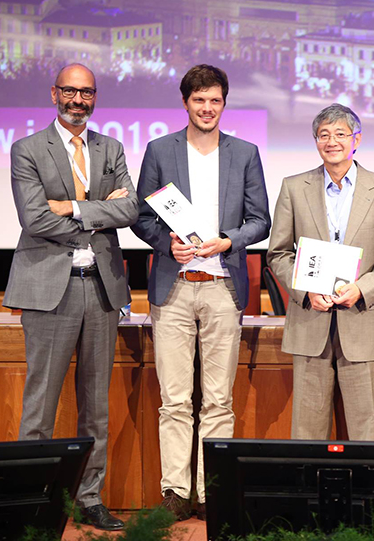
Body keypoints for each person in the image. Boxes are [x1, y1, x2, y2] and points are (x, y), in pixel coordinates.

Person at [131, 64, 270, 520]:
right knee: (174, 399)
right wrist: (164, 243)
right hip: (173, 289)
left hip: (222, 287)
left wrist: (229, 240)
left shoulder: (245, 153)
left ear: (224, 104)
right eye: (198, 100)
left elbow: (260, 219)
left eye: (214, 100)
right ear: (186, 103)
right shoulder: (159, 150)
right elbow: (142, 217)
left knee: (218, 399)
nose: (207, 108)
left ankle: (210, 490)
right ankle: (175, 491)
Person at [4, 63, 138, 531]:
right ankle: (29, 500)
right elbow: (35, 219)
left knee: (95, 405)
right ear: (55, 94)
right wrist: (99, 211)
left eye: (86, 92)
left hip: (101, 288)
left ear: (95, 97)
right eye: (70, 91)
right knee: (40, 404)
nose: (78, 100)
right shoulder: (26, 149)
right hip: (48, 288)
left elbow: (131, 208)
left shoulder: (111, 147)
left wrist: (76, 206)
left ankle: (89, 497)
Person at [267, 104, 374, 441]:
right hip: (309, 322)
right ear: (316, 141)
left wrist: (362, 288)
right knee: (306, 431)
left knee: (366, 428)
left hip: (362, 319)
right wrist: (304, 291)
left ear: (356, 139)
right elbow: (278, 253)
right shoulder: (293, 187)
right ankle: (309, 495)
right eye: (324, 135)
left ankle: (364, 495)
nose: (332, 141)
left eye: (341, 134)